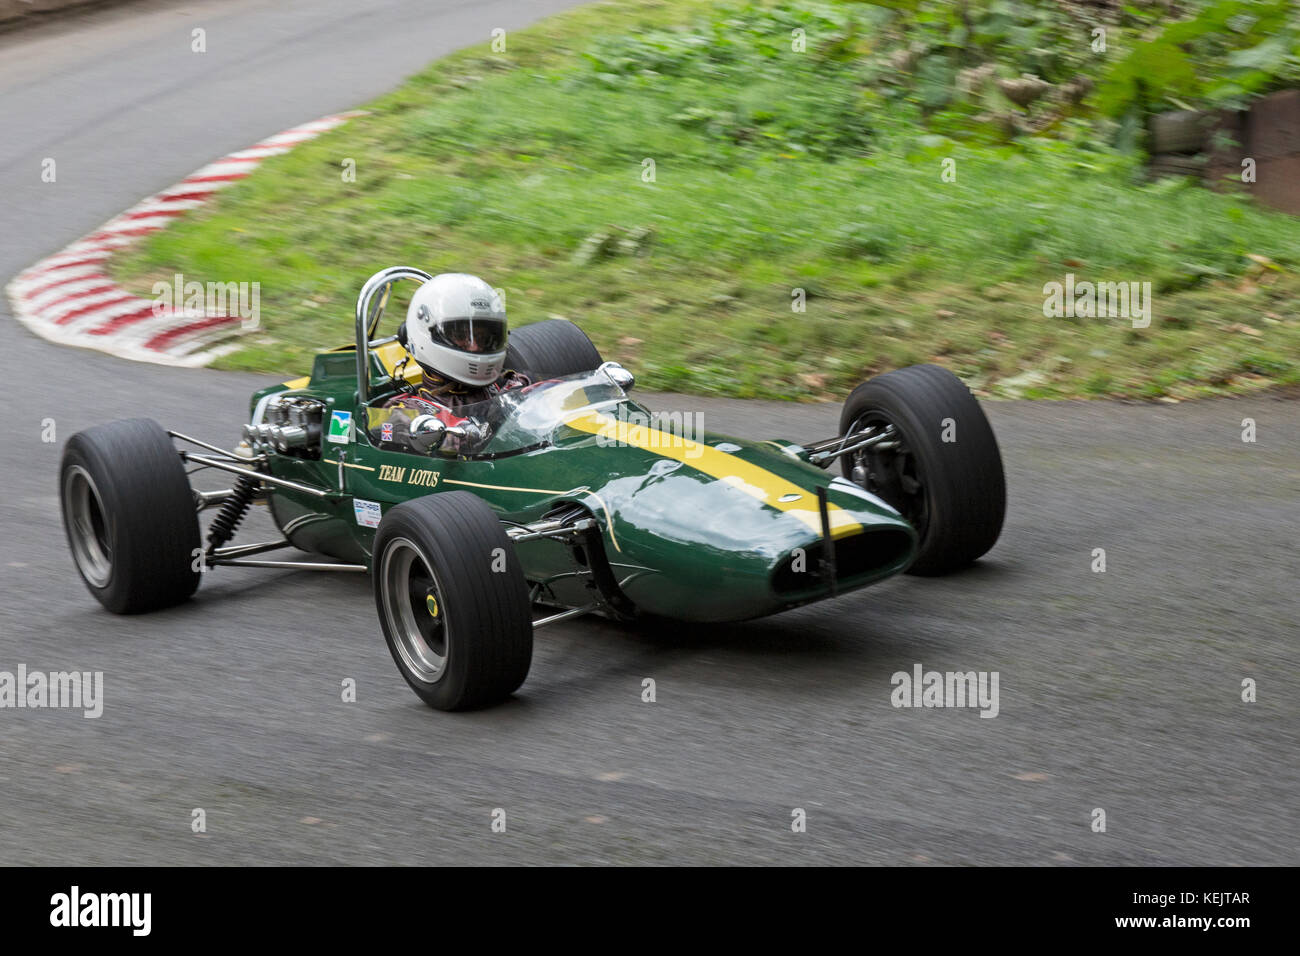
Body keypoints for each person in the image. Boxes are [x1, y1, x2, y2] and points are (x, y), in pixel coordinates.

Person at [380, 273, 530, 451]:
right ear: (427, 333)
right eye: (460, 336)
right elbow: (451, 445)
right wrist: (492, 424)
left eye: (483, 338)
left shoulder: (507, 385)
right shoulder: (403, 413)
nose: (475, 347)